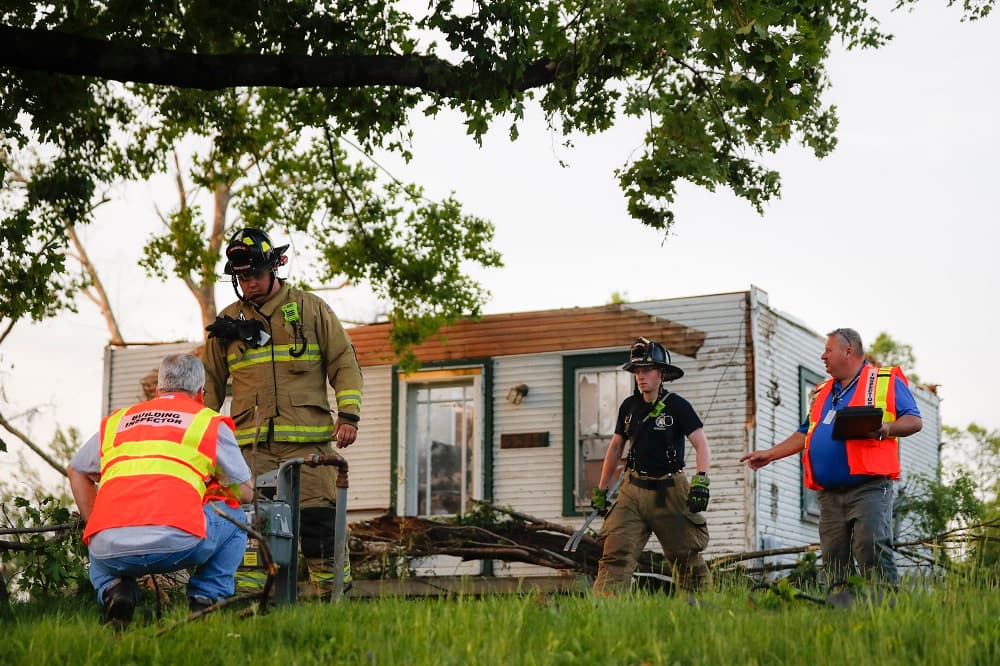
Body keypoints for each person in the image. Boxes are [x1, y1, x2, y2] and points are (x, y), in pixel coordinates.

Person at [202, 227, 363, 596]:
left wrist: (349, 414)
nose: (250, 284)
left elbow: (344, 362)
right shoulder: (227, 324)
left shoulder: (310, 309)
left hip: (309, 448)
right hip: (250, 450)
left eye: (257, 275)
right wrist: (201, 439)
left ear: (274, 268)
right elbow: (208, 382)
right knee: (250, 531)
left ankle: (333, 602)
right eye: (243, 278)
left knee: (320, 525)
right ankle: (248, 607)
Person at [67, 353, 253, 629]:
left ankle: (115, 590)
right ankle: (205, 598)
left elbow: (76, 470)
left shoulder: (119, 420)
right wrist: (212, 490)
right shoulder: (206, 421)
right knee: (237, 517)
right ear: (200, 393)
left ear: (158, 389)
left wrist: (96, 524)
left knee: (100, 547)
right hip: (177, 541)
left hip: (110, 548)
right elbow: (245, 493)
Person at [739, 328, 922, 587]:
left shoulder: (884, 380)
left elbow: (914, 420)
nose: (823, 356)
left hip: (869, 487)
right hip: (829, 494)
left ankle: (885, 605)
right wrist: (770, 454)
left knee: (870, 545)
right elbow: (806, 432)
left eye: (828, 350)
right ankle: (841, 605)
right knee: (834, 557)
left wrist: (887, 428)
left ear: (848, 351)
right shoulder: (823, 391)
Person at [591, 337, 713, 594]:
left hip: (669, 490)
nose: (641, 376)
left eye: (647, 369)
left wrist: (701, 481)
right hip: (632, 490)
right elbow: (615, 448)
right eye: (637, 370)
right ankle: (605, 609)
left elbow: (701, 444)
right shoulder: (629, 407)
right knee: (615, 554)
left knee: (685, 557)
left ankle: (700, 607)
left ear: (662, 373)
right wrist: (602, 489)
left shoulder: (678, 406)